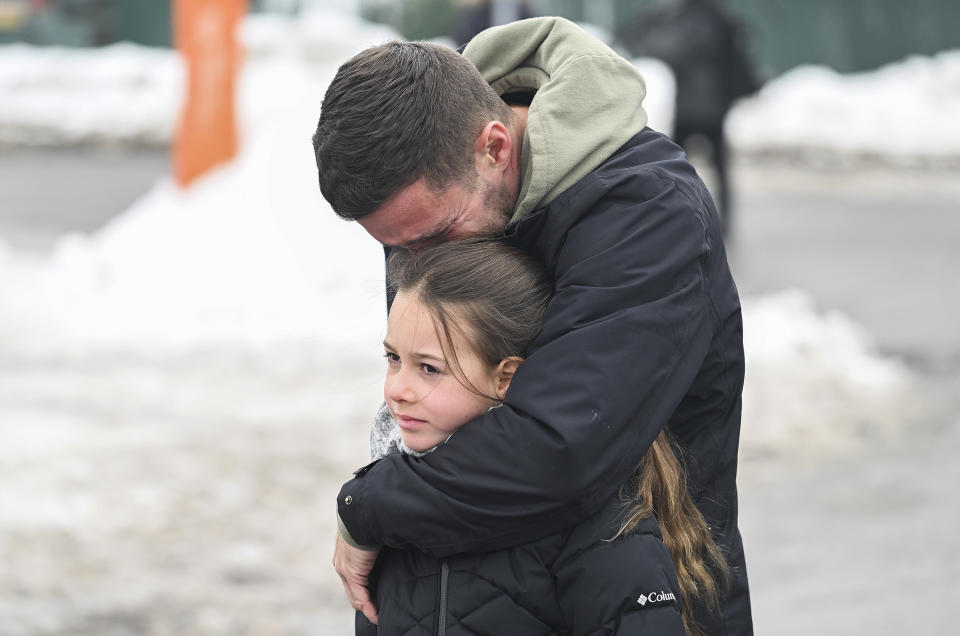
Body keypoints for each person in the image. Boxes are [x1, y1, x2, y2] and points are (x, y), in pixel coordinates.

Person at [313, 17, 752, 635]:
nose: (420, 266)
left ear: (495, 147)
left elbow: (560, 452)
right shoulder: (430, 200)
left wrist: (372, 506)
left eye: (434, 236)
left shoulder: (647, 215)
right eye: (398, 250)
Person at [364, 238, 727, 635]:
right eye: (393, 359)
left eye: (429, 368)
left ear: (506, 377)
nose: (397, 389)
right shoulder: (387, 504)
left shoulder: (593, 517)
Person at [619, 0, 764, 235]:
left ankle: (669, 218)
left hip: (691, 108)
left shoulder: (689, 18)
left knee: (673, 166)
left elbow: (672, 51)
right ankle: (722, 224)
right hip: (715, 106)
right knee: (716, 167)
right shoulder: (721, 16)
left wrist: (648, 40)